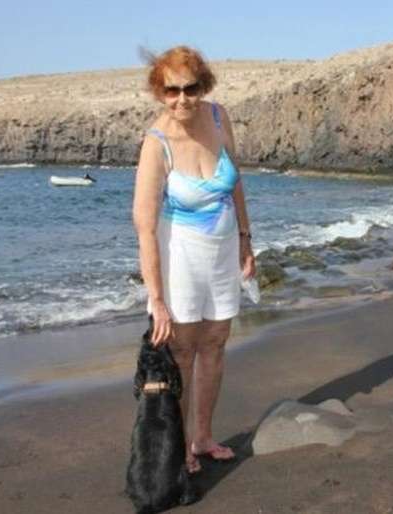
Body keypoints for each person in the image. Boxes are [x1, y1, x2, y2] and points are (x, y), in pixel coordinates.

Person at [132, 46, 255, 473]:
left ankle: (203, 437)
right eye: (172, 91)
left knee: (216, 342)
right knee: (182, 352)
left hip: (222, 254)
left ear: (204, 86)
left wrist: (245, 239)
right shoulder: (157, 143)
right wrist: (157, 299)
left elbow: (234, 183)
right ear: (159, 92)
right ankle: (181, 445)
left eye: (190, 88)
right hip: (179, 260)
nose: (182, 99)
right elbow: (145, 228)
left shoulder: (219, 118)